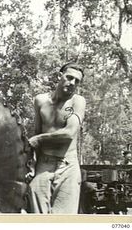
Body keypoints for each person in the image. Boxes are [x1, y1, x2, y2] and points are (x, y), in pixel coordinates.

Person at [27, 63, 86, 214]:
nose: (72, 83)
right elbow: (37, 130)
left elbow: (69, 134)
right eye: (69, 77)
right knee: (37, 216)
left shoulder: (77, 101)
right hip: (43, 164)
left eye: (76, 81)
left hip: (67, 166)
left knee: (63, 221)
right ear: (60, 76)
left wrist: (38, 139)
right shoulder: (40, 101)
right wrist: (31, 165)